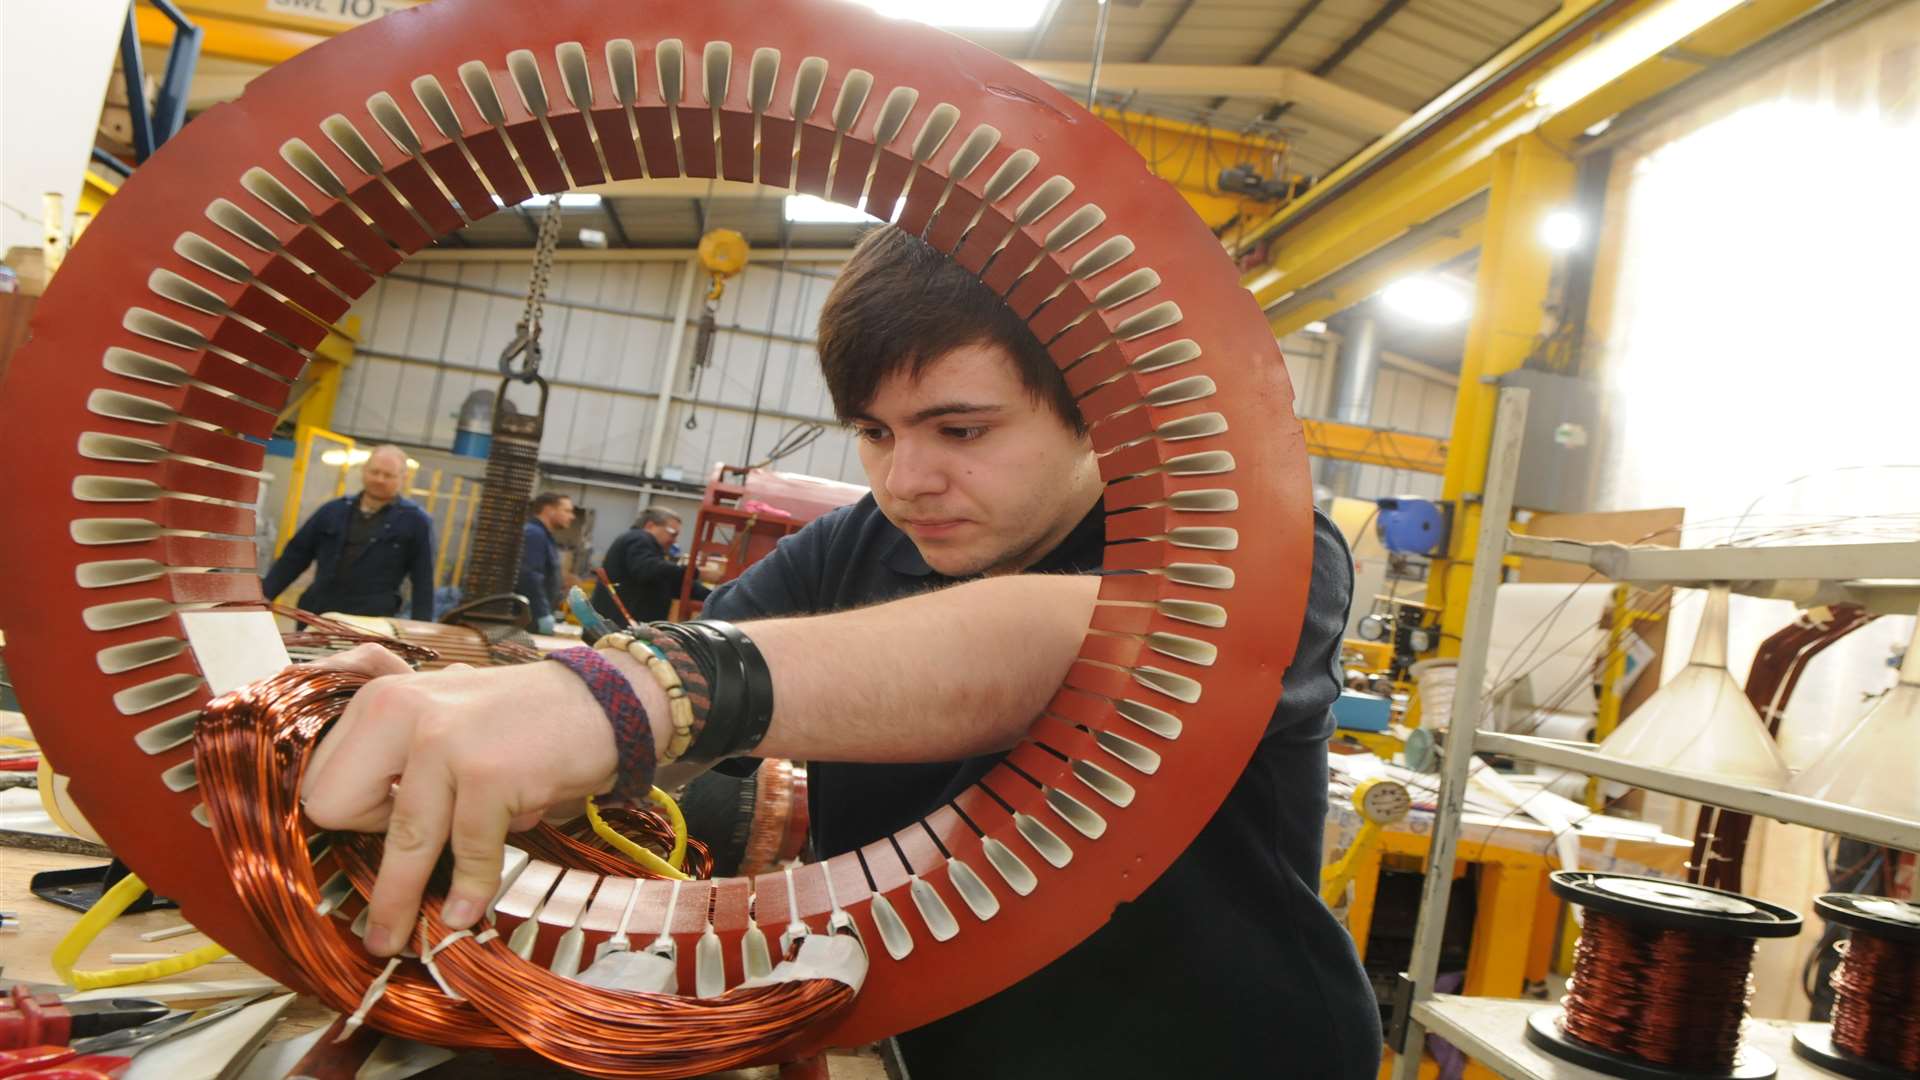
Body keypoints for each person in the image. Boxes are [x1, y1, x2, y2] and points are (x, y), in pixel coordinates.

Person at [302, 227, 1380, 1077]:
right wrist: (478, 708)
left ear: (1098, 412)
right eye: (874, 432)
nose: (905, 479)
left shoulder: (1252, 545)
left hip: (1221, 1053)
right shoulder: (858, 544)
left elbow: (1056, 649)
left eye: (960, 431)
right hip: (952, 1045)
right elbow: (668, 714)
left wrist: (639, 696)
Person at [261, 444, 434, 620]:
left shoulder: (416, 522)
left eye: (388, 475)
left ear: (403, 478)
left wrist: (423, 627)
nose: (379, 479)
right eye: (375, 472)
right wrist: (264, 596)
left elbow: (423, 581)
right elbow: (295, 556)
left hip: (371, 621)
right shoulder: (333, 511)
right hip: (318, 612)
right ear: (364, 471)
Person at [589, 507, 709, 623]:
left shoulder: (650, 550)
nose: (674, 540)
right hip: (620, 625)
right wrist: (693, 572)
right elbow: (647, 568)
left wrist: (713, 595)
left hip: (623, 625)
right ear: (650, 526)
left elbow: (669, 582)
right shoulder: (638, 538)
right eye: (672, 533)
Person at [517, 492, 574, 634]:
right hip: (527, 618)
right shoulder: (534, 534)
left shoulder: (544, 536)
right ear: (549, 510)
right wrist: (542, 614)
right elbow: (530, 576)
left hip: (533, 616)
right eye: (566, 511)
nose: (571, 516)